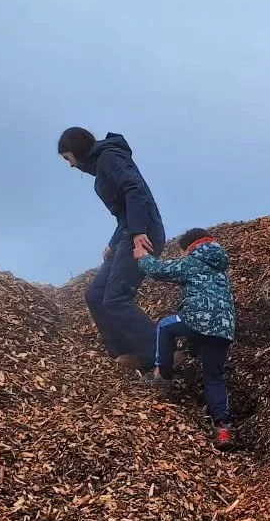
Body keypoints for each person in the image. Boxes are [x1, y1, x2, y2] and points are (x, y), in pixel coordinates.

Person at [57, 127, 167, 374]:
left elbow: (135, 190)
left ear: (77, 151)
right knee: (95, 294)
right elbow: (122, 214)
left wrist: (139, 233)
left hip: (143, 234)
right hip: (128, 234)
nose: (70, 165)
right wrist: (114, 242)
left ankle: (163, 351)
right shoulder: (102, 166)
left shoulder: (109, 157)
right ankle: (129, 353)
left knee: (116, 298)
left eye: (68, 158)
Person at [136, 229, 238, 450]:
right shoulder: (220, 268)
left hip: (199, 319)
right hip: (223, 328)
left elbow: (159, 270)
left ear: (189, 247)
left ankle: (162, 376)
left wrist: (142, 257)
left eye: (182, 252)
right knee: (214, 376)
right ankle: (223, 429)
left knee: (165, 326)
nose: (182, 256)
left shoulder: (193, 261)